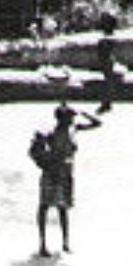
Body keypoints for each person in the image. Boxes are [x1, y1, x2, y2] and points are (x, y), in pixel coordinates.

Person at [31, 102, 101, 257]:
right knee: (45, 207)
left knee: (63, 208)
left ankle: (65, 243)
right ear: (61, 119)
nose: (72, 120)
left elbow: (97, 123)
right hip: (52, 172)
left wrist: (83, 113)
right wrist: (46, 161)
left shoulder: (73, 129)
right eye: (70, 117)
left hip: (66, 173)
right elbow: (36, 149)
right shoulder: (51, 133)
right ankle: (43, 244)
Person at [94, 11, 124, 113]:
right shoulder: (107, 39)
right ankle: (107, 101)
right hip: (108, 61)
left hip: (108, 62)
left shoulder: (105, 40)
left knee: (108, 82)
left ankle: (106, 102)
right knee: (108, 82)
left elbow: (106, 52)